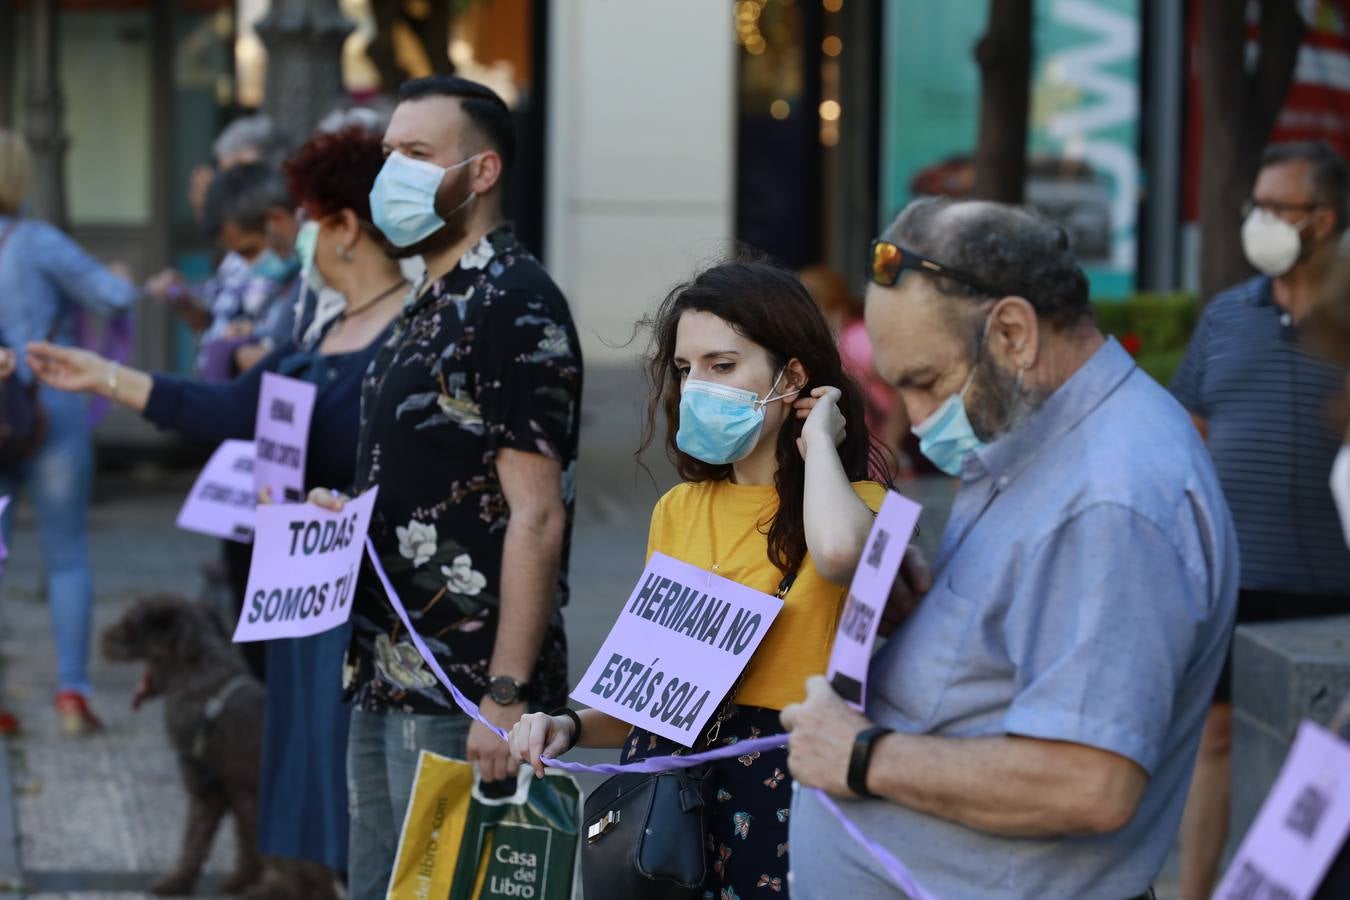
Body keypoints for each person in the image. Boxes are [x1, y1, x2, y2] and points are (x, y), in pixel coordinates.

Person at [780, 198, 1237, 900]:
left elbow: (1092, 784)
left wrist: (862, 755)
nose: (918, 420)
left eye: (926, 383)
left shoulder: (1110, 498)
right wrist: (920, 621)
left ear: (1015, 332)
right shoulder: (1034, 432)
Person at [27, 124, 407, 877]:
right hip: (304, 611)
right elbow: (230, 408)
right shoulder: (322, 326)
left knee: (365, 822)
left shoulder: (414, 334)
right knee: (314, 812)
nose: (292, 237)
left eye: (303, 220)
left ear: (344, 228)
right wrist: (101, 373)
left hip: (373, 629)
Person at [509, 259, 893, 897]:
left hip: (787, 813)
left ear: (793, 376)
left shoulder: (860, 509)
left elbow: (842, 551)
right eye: (686, 370)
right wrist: (567, 724)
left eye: (723, 365)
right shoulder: (677, 512)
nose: (697, 388)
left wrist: (819, 443)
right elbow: (652, 696)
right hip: (667, 820)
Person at [304, 75, 583, 900]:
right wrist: (346, 513)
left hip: (461, 684)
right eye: (390, 152)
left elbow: (537, 513)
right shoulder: (428, 296)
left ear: (482, 172)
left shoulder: (514, 302)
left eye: (417, 154)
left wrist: (503, 697)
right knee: (378, 886)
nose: (393, 172)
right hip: (384, 666)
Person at [1170, 140, 1350, 900]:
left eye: (1279, 208)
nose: (1261, 222)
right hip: (1236, 575)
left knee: (1329, 756)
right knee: (1211, 740)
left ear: (1324, 220)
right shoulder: (1226, 315)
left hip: (1332, 592)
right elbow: (1190, 428)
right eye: (1257, 206)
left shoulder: (1346, 320)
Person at [0, 128, 140, 735]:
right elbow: (112, 298)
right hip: (48, 403)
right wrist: (118, 272)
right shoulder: (36, 242)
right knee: (65, 558)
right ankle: (71, 697)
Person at [149, 163, 302, 377]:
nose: (248, 264)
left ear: (277, 220)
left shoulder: (308, 277)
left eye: (250, 250)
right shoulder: (235, 263)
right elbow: (213, 316)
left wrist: (242, 348)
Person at [799, 265, 912, 478]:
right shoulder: (834, 342)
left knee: (897, 507)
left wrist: (892, 441)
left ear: (832, 306)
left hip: (886, 460)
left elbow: (903, 384)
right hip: (870, 460)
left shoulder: (856, 338)